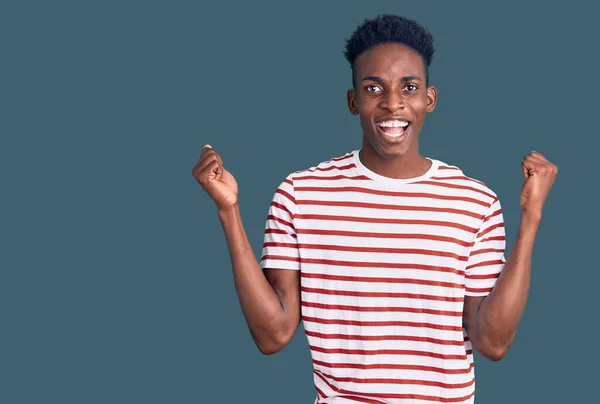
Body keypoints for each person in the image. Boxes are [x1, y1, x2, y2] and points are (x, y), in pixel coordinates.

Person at [192, 14, 557, 404]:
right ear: (354, 101)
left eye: (409, 87)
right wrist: (228, 212)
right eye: (373, 88)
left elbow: (492, 343)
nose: (393, 103)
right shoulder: (300, 194)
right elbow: (274, 335)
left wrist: (531, 219)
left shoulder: (475, 202)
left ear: (429, 100)